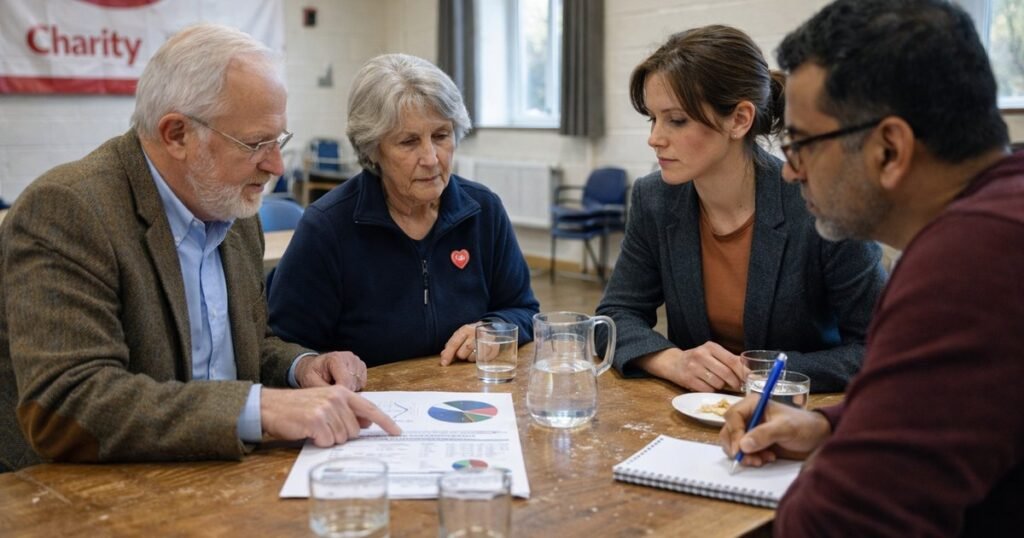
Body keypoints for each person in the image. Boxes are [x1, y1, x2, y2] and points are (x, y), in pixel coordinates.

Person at [0, 24, 400, 472]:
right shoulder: (69, 211)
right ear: (177, 134)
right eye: (256, 143)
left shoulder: (230, 206)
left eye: (278, 140)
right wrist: (261, 408)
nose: (275, 165)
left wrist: (302, 366)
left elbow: (242, 349)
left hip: (208, 471)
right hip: (81, 486)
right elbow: (68, 403)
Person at [720, 0, 1024, 533]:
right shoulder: (1002, 211)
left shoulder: (972, 258)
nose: (790, 173)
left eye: (801, 146)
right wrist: (829, 426)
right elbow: (955, 408)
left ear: (889, 149)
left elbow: (847, 520)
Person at [595, 25, 886, 393]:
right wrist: (673, 361)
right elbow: (614, 317)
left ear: (739, 120)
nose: (654, 138)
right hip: (690, 410)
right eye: (653, 119)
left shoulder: (822, 204)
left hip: (797, 413)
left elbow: (880, 346)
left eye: (677, 120)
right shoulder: (654, 198)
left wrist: (757, 373)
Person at [268, 53, 538, 367]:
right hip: (366, 394)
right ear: (372, 148)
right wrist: (316, 364)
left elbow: (523, 310)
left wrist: (493, 329)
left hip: (467, 392)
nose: (431, 158)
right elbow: (283, 347)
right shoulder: (327, 227)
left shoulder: (483, 210)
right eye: (409, 142)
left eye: (441, 136)